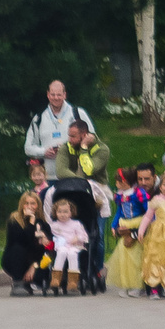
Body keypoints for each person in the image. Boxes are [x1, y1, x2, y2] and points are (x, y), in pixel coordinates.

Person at [49, 118, 111, 290]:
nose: (70, 139)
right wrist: (79, 183)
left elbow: (90, 170)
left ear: (84, 135)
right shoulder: (65, 147)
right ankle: (68, 271)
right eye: (69, 135)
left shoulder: (102, 149)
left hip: (96, 194)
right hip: (73, 191)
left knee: (95, 235)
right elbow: (61, 172)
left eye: (74, 136)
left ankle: (96, 270)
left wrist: (83, 149)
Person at [24, 79, 88, 175]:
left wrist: (68, 149)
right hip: (48, 177)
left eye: (59, 95)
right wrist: (44, 152)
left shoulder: (78, 114)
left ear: (64, 95)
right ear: (48, 95)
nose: (56, 98)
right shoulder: (38, 119)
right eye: (53, 95)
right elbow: (28, 148)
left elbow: (92, 140)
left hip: (75, 176)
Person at [107, 164, 149, 295]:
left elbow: (148, 211)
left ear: (125, 182)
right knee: (124, 258)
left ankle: (138, 285)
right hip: (125, 224)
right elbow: (119, 211)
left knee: (136, 258)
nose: (116, 184)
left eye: (118, 181)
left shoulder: (138, 194)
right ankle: (126, 284)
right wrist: (114, 226)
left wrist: (144, 226)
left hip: (137, 224)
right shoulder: (120, 195)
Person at [2, 190, 53, 295]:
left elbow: (44, 248)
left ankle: (29, 283)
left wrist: (33, 266)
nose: (29, 206)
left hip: (35, 261)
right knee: (18, 248)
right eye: (26, 203)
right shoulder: (14, 220)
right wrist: (31, 222)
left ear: (38, 205)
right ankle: (18, 283)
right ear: (22, 205)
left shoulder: (43, 224)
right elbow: (23, 241)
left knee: (45, 260)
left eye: (33, 203)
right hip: (15, 259)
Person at [46, 198, 89, 295]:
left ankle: (73, 281)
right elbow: (49, 235)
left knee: (72, 253)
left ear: (71, 212)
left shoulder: (76, 224)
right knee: (62, 252)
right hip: (61, 246)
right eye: (60, 212)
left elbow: (84, 236)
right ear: (55, 213)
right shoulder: (54, 225)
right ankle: (56, 278)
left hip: (75, 246)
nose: (62, 214)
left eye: (65, 212)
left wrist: (77, 238)